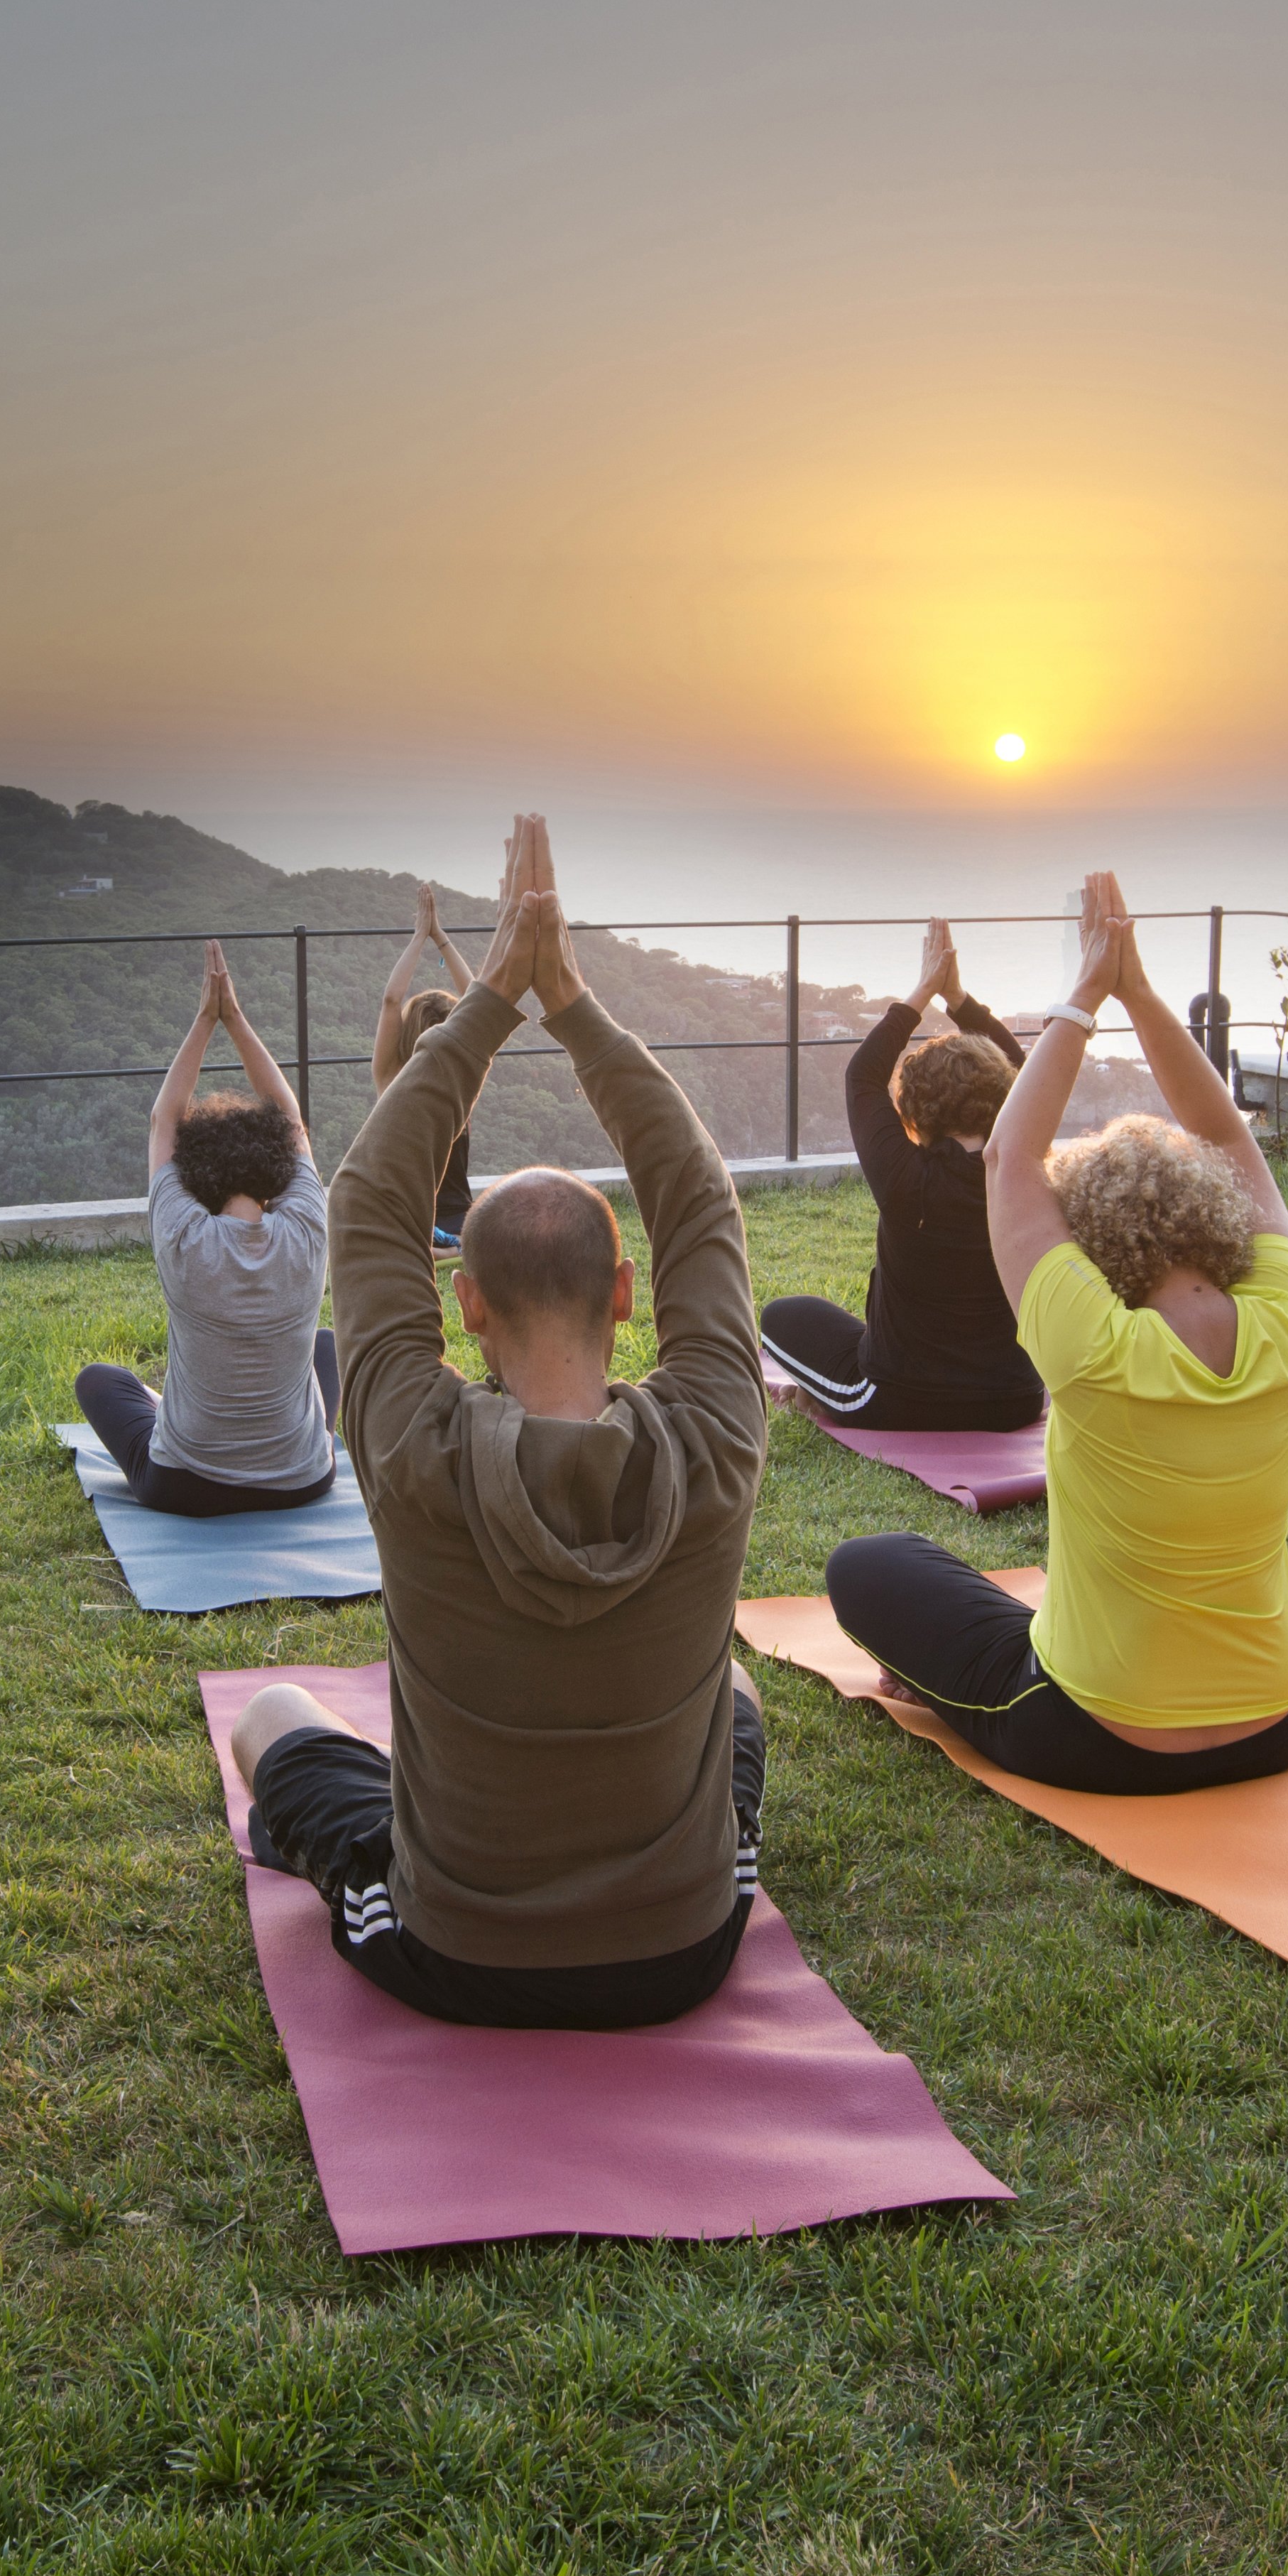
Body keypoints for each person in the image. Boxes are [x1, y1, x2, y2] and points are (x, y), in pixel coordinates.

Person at [224, 816, 775, 2028]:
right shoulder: (718, 1442)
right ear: (628, 1293)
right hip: (684, 1947)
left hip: (460, 1949)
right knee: (731, 1694)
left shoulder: (410, 1445)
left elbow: (369, 1199)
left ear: (462, 1305)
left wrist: (487, 1007)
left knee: (271, 1716)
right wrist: (570, 1002)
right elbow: (699, 1197)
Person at [822, 875, 1288, 1792]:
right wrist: (1134, 990)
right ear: (1216, 1208)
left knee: (875, 1562)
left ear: (1087, 1235)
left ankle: (949, 1685)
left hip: (1097, 1734)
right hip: (1275, 1724)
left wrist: (1090, 990)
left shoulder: (1090, 1346)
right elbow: (1226, 1132)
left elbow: (1014, 1156)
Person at [73, 942, 344, 1516]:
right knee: (327, 1345)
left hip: (187, 1489)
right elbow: (292, 1119)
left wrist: (205, 1020)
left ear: (198, 1176)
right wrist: (237, 1021)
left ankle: (161, 1403)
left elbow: (162, 1121)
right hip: (303, 1481)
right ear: (278, 1172)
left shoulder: (183, 1238)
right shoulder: (306, 1231)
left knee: (99, 1379)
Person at [760, 917, 1042, 1430]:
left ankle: (813, 1400)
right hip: (1016, 1400)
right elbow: (1021, 1069)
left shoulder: (906, 1178)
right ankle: (812, 1397)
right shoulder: (1023, 1171)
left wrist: (923, 992)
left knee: (781, 1315)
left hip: (896, 1401)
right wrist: (958, 1000)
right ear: (1005, 1099)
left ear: (915, 1113)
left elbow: (863, 1073)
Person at [370, 884, 479, 1248]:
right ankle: (453, 1249)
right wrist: (439, 937)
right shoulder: (462, 1080)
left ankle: (432, 1249)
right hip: (457, 1218)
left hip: (407, 1214)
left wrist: (419, 937)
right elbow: (478, 999)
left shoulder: (390, 1078)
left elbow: (390, 1001)